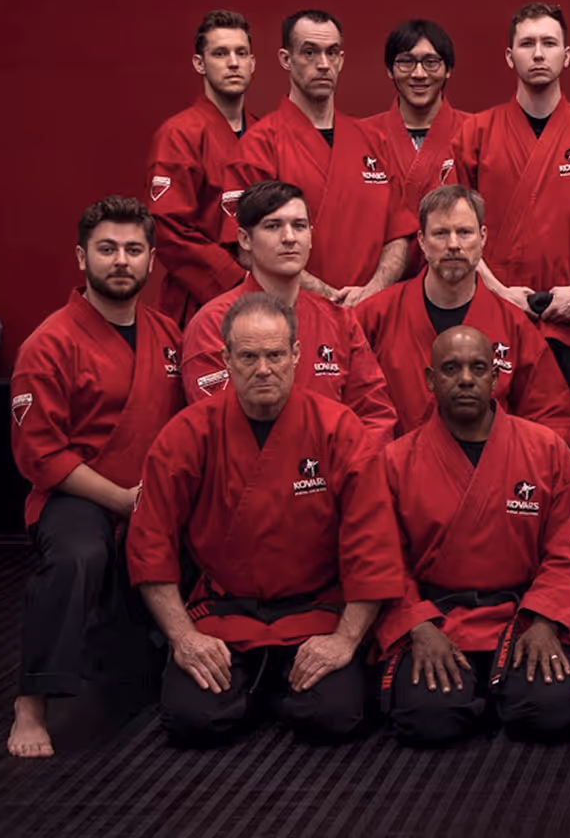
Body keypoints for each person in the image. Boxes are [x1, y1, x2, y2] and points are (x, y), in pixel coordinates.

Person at [127, 293, 405, 744]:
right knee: (192, 720)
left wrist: (345, 640)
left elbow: (372, 547)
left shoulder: (340, 429)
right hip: (223, 613)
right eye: (249, 356)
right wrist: (183, 638)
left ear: (296, 355)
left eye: (275, 355)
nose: (263, 369)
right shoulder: (186, 434)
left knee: (334, 717)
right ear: (226, 359)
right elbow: (149, 546)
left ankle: (263, 687)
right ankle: (262, 685)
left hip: (315, 611)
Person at [8, 197, 184, 759]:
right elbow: (39, 454)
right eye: (107, 249)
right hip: (77, 494)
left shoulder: (168, 334)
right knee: (78, 556)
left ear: (152, 261)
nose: (121, 261)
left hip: (149, 497)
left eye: (134, 250)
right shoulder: (50, 342)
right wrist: (122, 500)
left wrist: (155, 500)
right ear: (81, 258)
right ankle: (30, 704)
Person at [377, 326, 570, 745]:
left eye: (478, 368)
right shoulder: (395, 461)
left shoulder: (545, 449)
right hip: (438, 619)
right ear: (430, 381)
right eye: (451, 369)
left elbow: (568, 551)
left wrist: (544, 620)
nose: (466, 379)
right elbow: (384, 560)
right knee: (430, 723)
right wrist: (418, 625)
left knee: (552, 716)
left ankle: (499, 689)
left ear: (496, 377)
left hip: (522, 617)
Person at [450, 2, 570, 460]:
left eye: (549, 43)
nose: (538, 53)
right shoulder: (475, 133)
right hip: (495, 320)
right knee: (501, 456)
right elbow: (452, 231)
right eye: (527, 44)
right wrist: (494, 291)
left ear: (567, 55)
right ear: (509, 56)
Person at [353, 185, 570, 444]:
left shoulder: (514, 326)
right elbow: (354, 409)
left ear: (482, 238)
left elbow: (551, 416)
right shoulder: (373, 317)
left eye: (464, 232)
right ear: (422, 241)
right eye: (440, 233)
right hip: (397, 477)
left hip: (491, 477)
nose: (454, 245)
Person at [181, 181, 397, 443]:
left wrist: (352, 472)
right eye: (273, 226)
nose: (290, 238)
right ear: (244, 239)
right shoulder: (213, 323)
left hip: (339, 475)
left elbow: (374, 415)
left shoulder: (339, 320)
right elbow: (216, 428)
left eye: (299, 226)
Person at [223, 9, 414, 305]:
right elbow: (246, 248)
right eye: (309, 52)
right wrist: (327, 297)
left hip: (372, 312)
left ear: (341, 59)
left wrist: (372, 291)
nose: (323, 64)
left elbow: (399, 233)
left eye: (331, 52)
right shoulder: (258, 145)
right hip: (291, 314)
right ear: (286, 59)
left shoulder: (374, 142)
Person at [146, 9, 258, 325]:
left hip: (265, 296)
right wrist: (237, 280)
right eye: (220, 53)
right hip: (199, 298)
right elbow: (168, 229)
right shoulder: (179, 134)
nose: (233, 62)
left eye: (241, 53)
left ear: (252, 63)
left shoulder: (265, 134)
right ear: (199, 63)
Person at [363, 19, 473, 281]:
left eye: (431, 62)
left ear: (449, 70)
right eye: (406, 62)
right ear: (390, 70)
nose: (419, 74)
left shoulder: (475, 131)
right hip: (380, 284)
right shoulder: (363, 134)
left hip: (457, 280)